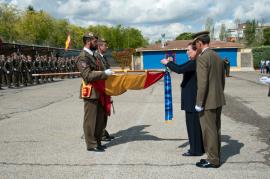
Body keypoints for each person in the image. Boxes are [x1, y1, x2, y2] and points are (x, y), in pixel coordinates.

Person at [161, 42, 204, 156]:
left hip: (192, 98)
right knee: (195, 125)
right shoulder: (194, 62)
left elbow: (180, 69)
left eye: (188, 50)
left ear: (195, 51)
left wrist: (168, 62)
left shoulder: (194, 62)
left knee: (192, 125)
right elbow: (180, 68)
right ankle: (199, 147)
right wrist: (171, 63)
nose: (187, 52)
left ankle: (195, 150)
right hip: (192, 97)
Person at [193, 31, 226, 168]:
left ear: (200, 43)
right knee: (216, 129)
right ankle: (215, 156)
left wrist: (199, 103)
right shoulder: (217, 56)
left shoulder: (202, 57)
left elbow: (203, 83)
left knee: (209, 131)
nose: (196, 47)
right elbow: (222, 80)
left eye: (196, 45)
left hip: (207, 101)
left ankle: (213, 160)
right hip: (218, 98)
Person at [76, 32, 113, 152]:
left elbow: (100, 69)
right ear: (88, 41)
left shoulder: (94, 56)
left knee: (99, 119)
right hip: (90, 91)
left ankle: (97, 141)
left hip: (100, 90)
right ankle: (91, 144)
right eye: (94, 41)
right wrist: (104, 73)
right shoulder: (83, 56)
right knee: (90, 119)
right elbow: (87, 75)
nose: (96, 43)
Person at [95, 38, 115, 142]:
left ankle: (103, 131)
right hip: (100, 88)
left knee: (105, 111)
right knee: (101, 112)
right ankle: (100, 134)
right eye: (105, 45)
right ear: (100, 46)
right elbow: (98, 72)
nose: (106, 47)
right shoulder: (96, 57)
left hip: (105, 87)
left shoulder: (103, 57)